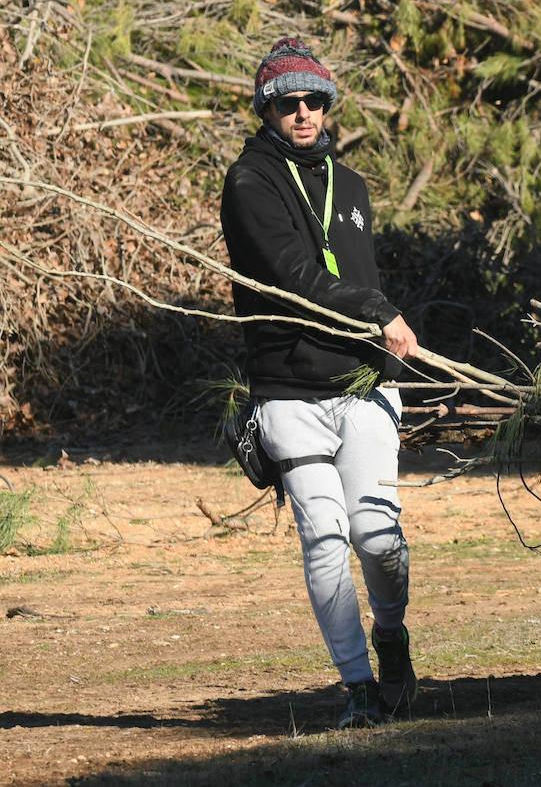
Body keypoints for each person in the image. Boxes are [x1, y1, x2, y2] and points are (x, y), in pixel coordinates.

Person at [220, 36, 420, 728]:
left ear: (328, 104)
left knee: (377, 537)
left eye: (314, 100)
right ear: (266, 110)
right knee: (326, 539)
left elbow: (358, 276)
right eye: (287, 103)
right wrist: (380, 312)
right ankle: (359, 690)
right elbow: (293, 277)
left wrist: (381, 329)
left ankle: (390, 637)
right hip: (287, 390)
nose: (303, 113)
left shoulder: (354, 185)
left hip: (364, 384)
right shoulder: (250, 182)